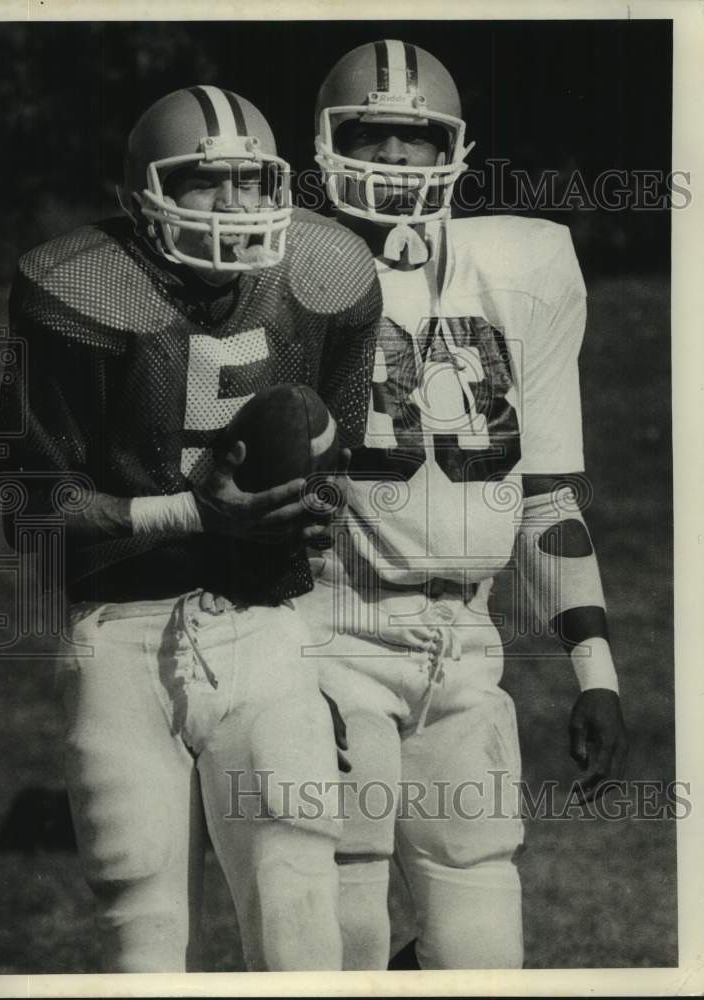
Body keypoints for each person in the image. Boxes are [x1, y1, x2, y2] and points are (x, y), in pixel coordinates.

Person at [0, 84, 381, 972]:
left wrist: (314, 523)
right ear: (138, 196)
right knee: (145, 923)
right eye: (206, 184)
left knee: (298, 907)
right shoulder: (78, 286)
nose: (236, 209)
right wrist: (190, 512)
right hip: (122, 632)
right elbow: (24, 504)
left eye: (252, 183)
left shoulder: (328, 273)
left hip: (265, 625)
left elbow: (332, 456)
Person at [296, 39, 629, 970]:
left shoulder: (523, 266)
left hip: (464, 648)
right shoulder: (276, 276)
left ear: (455, 149)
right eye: (373, 133)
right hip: (329, 636)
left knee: (482, 950)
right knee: (340, 923)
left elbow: (546, 495)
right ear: (328, 143)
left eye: (415, 137)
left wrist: (594, 666)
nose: (396, 158)